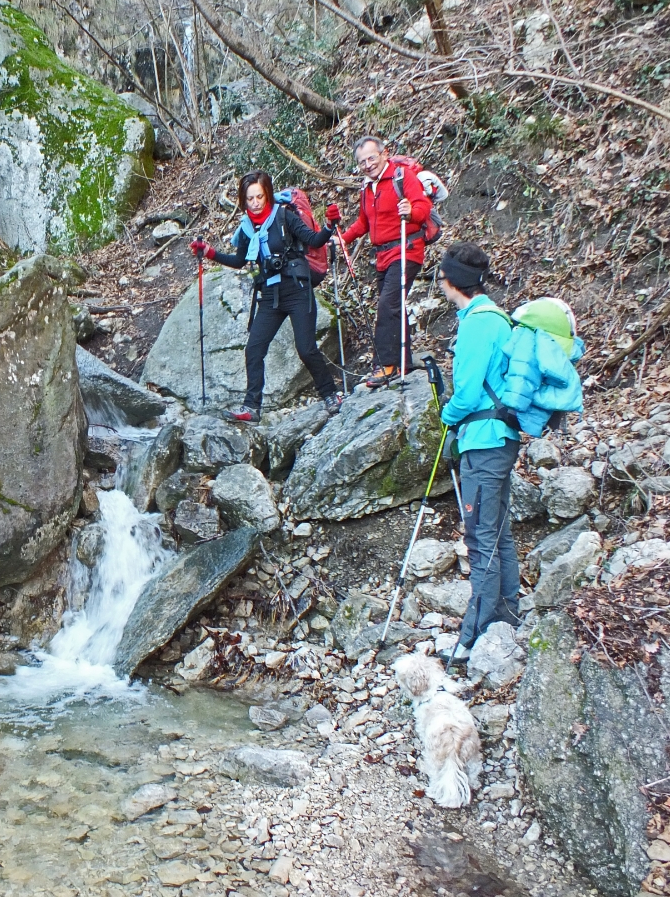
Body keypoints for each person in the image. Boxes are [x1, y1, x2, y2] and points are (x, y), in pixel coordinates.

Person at [190, 171, 343, 423]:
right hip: (270, 294)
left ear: (267, 194)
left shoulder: (284, 216)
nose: (255, 202)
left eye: (259, 196)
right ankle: (252, 408)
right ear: (243, 200)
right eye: (249, 198)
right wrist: (209, 252)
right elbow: (240, 261)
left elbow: (315, 240)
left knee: (305, 348)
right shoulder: (247, 228)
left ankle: (330, 394)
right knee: (254, 348)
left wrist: (329, 225)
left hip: (297, 289)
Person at [435, 241, 521, 664]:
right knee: (498, 531)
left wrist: (446, 415)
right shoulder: (499, 318)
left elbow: (466, 393)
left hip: (483, 442)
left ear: (451, 281)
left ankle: (478, 631)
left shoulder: (475, 325)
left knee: (481, 535)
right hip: (502, 439)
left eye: (441, 276)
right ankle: (505, 616)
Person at [326, 135, 431, 387]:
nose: (368, 164)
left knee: (387, 305)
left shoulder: (402, 177)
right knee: (393, 305)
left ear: (384, 154)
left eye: (371, 157)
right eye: (362, 161)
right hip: (383, 255)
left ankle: (385, 365)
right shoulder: (367, 187)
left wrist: (411, 211)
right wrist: (344, 239)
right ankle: (402, 360)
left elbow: (423, 208)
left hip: (407, 249)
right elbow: (365, 222)